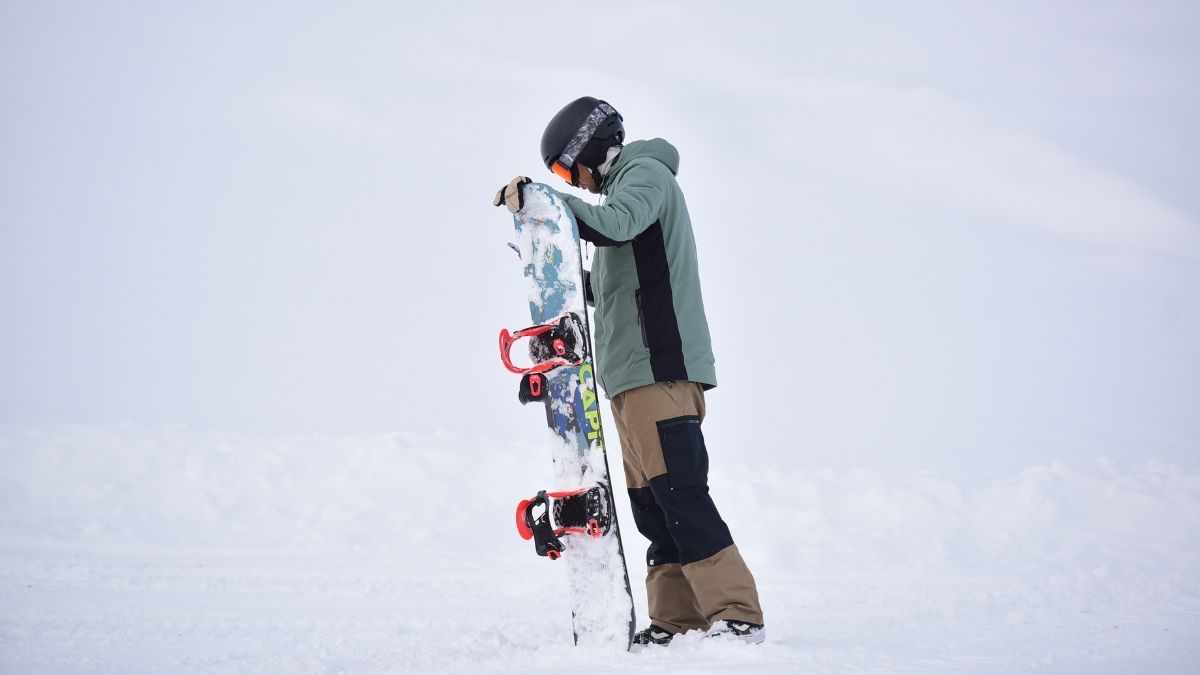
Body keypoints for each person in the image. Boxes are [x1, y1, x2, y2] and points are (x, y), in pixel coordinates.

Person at [494, 96, 764, 647]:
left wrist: (550, 201)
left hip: (659, 370)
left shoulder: (644, 177)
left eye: (570, 170)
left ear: (589, 149)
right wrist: (548, 260)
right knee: (652, 505)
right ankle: (677, 620)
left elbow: (616, 225)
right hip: (628, 382)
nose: (578, 182)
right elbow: (604, 286)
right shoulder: (621, 199)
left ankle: (737, 614)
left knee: (681, 491)